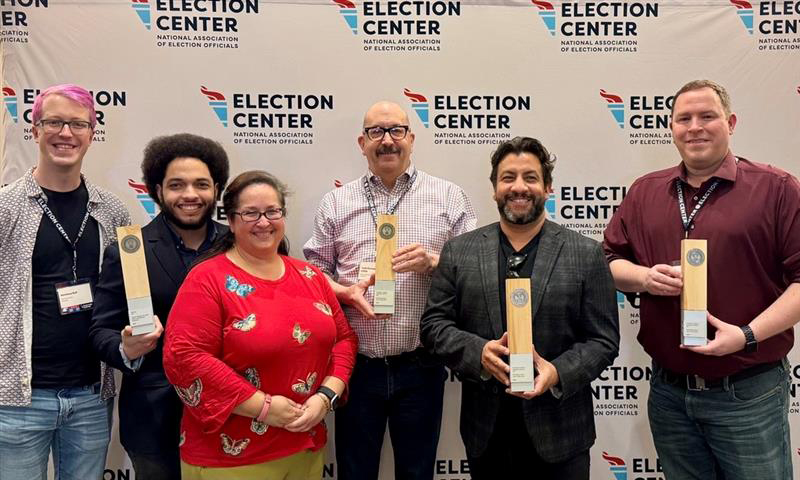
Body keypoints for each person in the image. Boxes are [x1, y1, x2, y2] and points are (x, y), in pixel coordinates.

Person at [603, 79, 800, 479]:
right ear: (671, 128)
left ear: (730, 123)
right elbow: (608, 262)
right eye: (684, 118)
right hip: (669, 392)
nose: (694, 127)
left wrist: (746, 334)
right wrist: (643, 277)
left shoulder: (776, 189)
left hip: (749, 389)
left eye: (707, 116)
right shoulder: (645, 192)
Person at [420, 136, 619, 479]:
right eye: (508, 177)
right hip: (487, 433)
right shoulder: (459, 252)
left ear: (548, 187)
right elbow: (434, 325)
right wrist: (479, 352)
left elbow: (603, 341)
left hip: (562, 434)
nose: (519, 187)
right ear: (494, 188)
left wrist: (556, 372)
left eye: (530, 177)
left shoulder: (585, 253)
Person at [303, 101, 477, 479]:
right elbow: (313, 274)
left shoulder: (449, 198)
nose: (387, 141)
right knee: (354, 471)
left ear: (411, 139)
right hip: (355, 368)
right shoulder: (336, 202)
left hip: (420, 365)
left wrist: (435, 263)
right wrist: (346, 292)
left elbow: (475, 275)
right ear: (361, 142)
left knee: (416, 473)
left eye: (396, 130)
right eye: (376, 132)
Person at [163, 170, 357, 479]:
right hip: (233, 458)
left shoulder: (310, 276)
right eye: (251, 213)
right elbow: (184, 358)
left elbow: (344, 339)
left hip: (305, 447)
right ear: (231, 218)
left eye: (272, 211)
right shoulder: (207, 279)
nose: (264, 222)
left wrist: (326, 397)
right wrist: (263, 408)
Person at [0, 84, 131, 480]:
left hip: (92, 393)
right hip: (18, 397)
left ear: (92, 133)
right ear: (34, 129)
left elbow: (126, 294)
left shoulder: (112, 210)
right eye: (54, 122)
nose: (66, 133)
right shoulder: (5, 207)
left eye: (78, 124)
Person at [89, 133, 230, 479]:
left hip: (231, 412)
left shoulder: (237, 244)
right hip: (153, 418)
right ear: (157, 190)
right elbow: (99, 331)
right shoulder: (130, 249)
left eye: (201, 184)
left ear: (217, 189)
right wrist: (125, 347)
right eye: (176, 185)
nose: (190, 195)